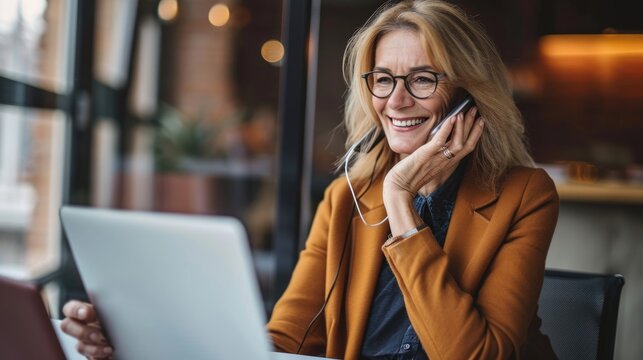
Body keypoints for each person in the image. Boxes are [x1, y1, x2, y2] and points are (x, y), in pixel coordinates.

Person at [61, 0, 559, 359]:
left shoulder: (524, 196)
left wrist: (401, 203)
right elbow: (287, 341)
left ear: (470, 97)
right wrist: (136, 342)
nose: (396, 101)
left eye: (423, 78)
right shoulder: (345, 199)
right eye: (383, 79)